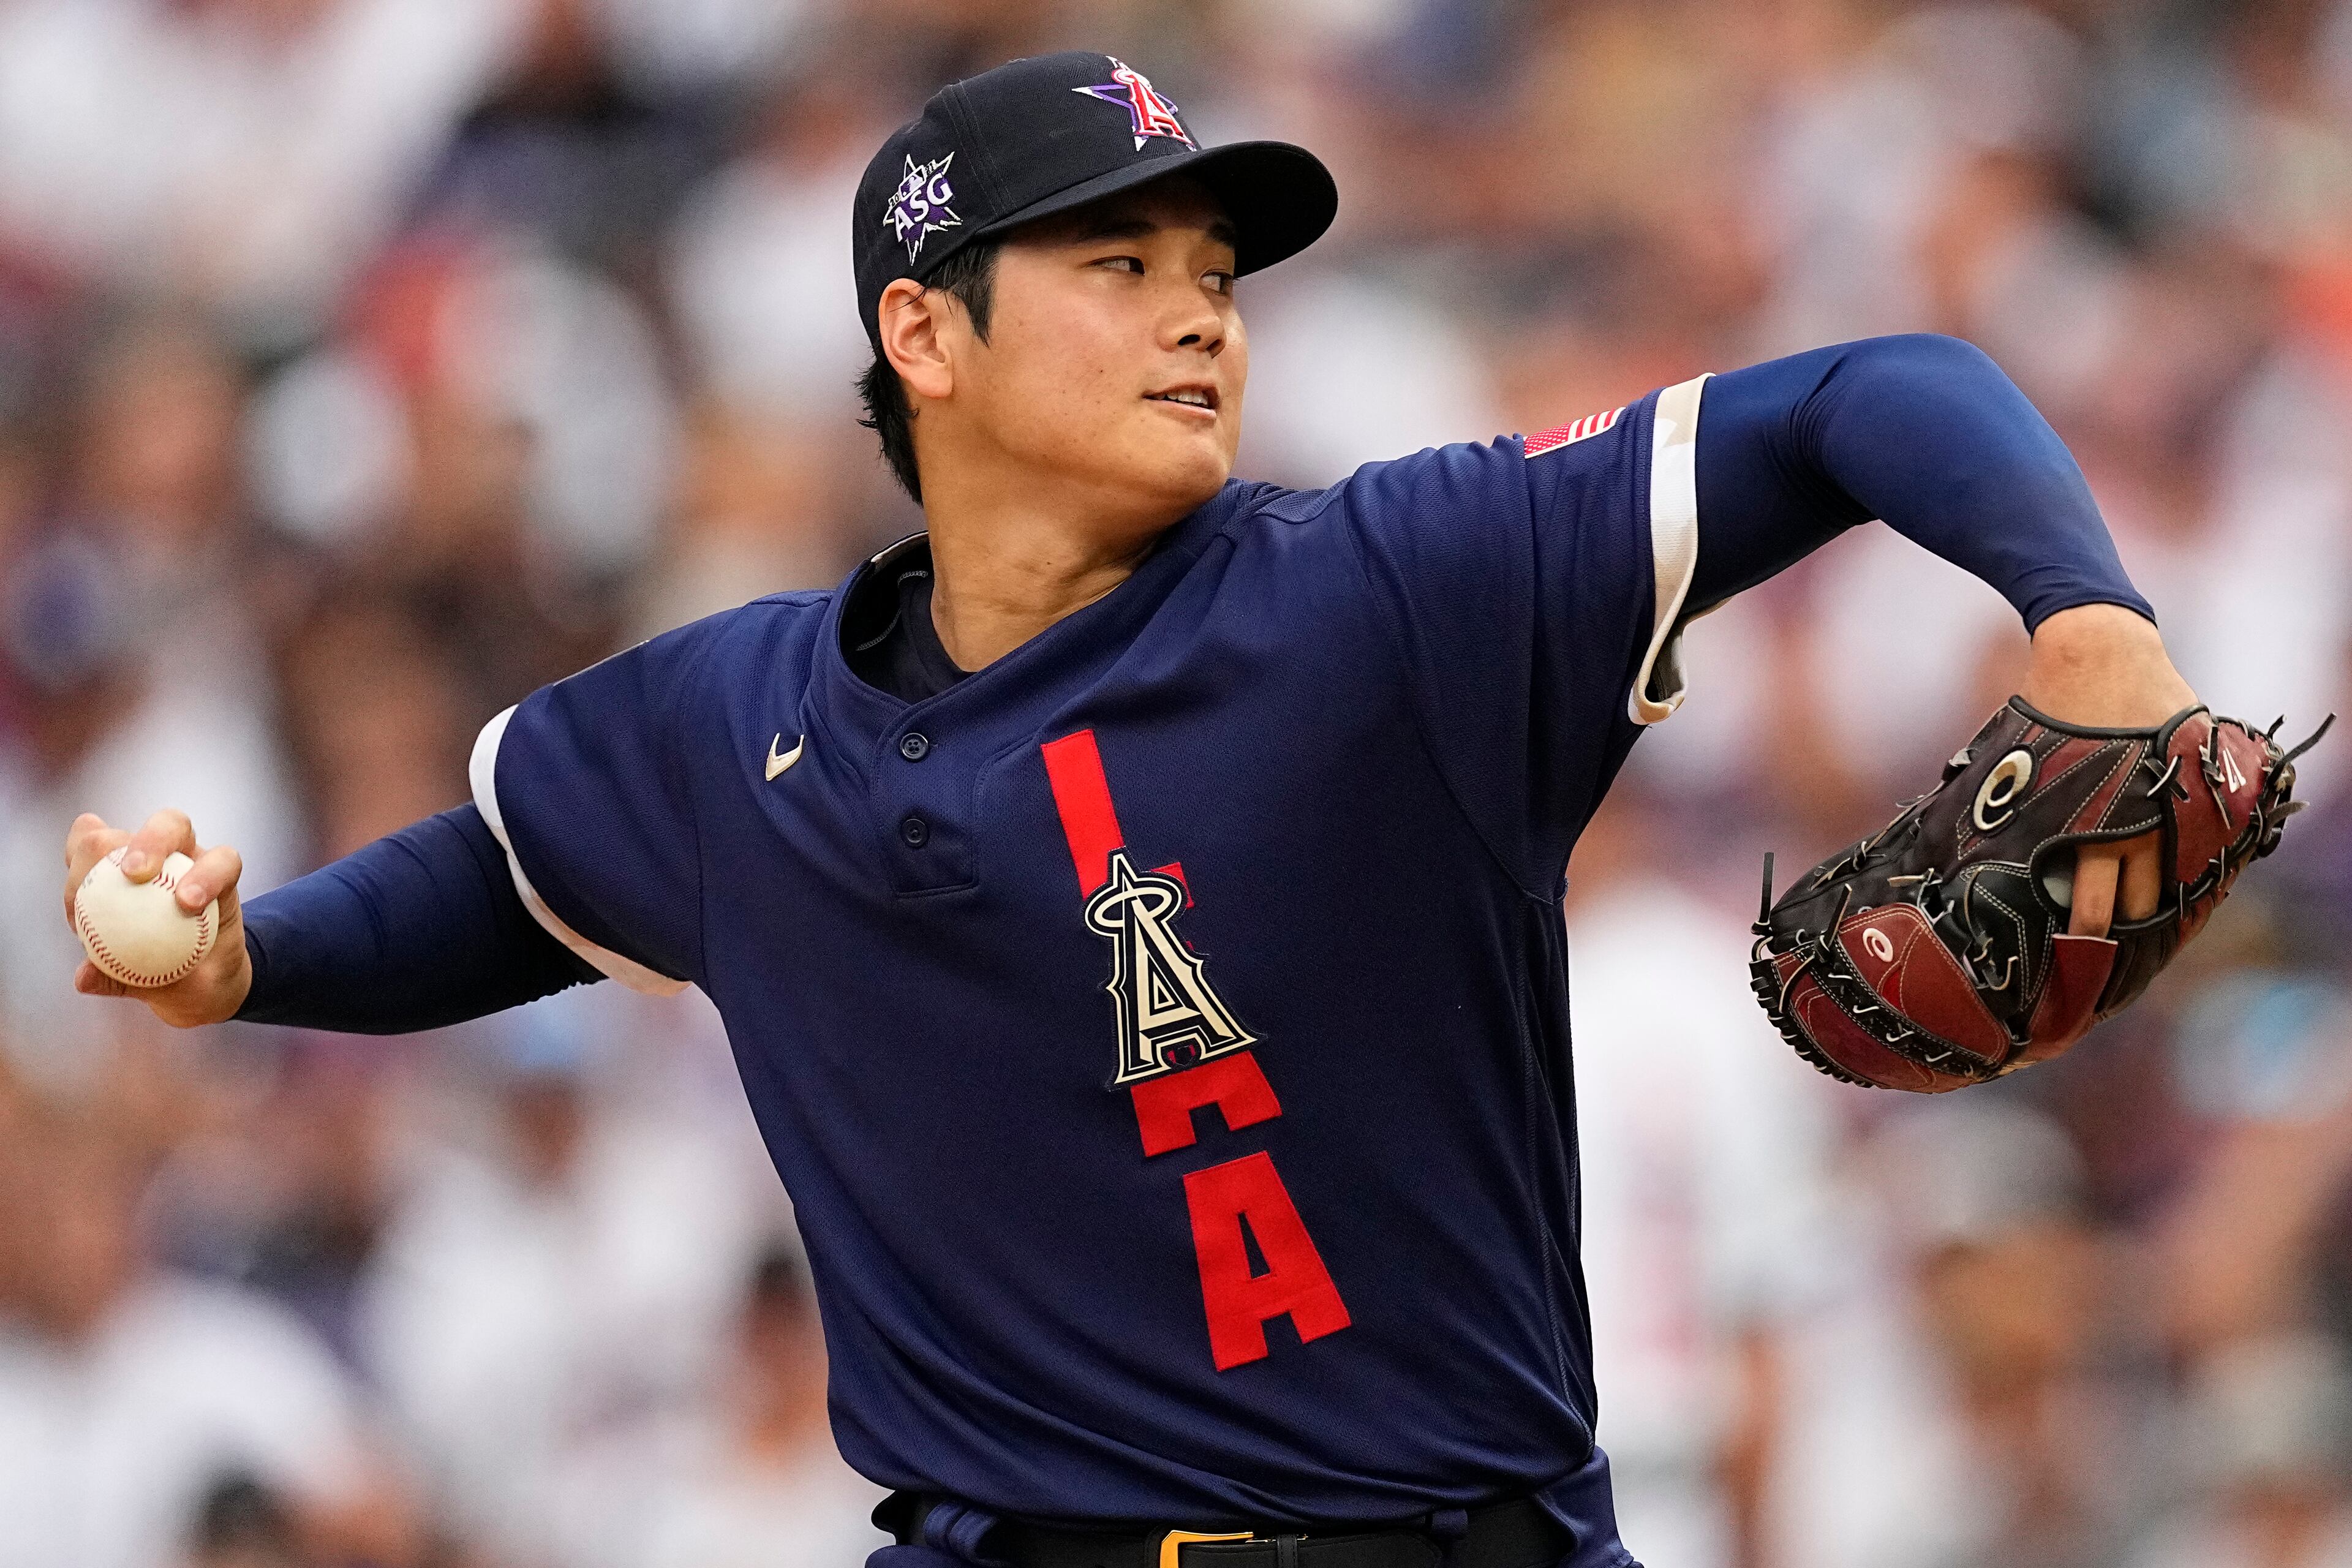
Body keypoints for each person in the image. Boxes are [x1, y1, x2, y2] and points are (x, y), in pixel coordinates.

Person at [61, 51, 2204, 1568]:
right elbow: (507, 879)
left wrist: (2085, 616)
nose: (1199, 307)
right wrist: (258, 957)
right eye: (1116, 263)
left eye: (1214, 265)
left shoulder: (1400, 595)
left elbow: (1867, 396)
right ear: (928, 332)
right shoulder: (736, 726)